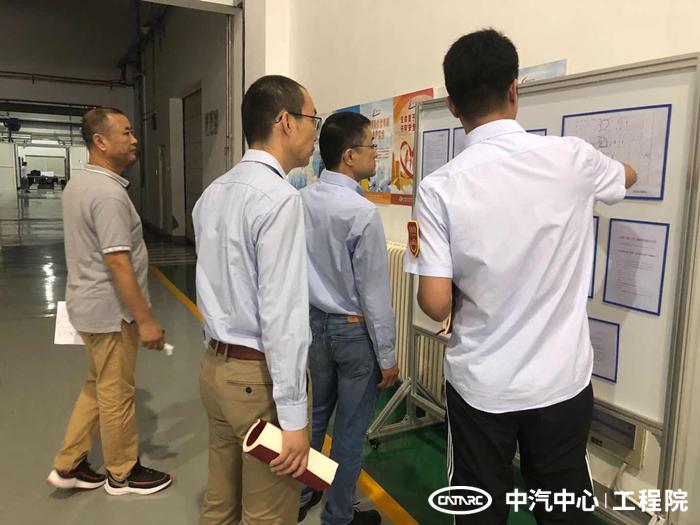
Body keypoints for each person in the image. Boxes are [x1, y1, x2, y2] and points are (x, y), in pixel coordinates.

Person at [405, 29, 638, 525]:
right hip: (560, 383)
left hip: (481, 386)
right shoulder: (572, 158)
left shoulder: (439, 187)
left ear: (452, 105)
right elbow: (627, 177)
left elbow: (435, 303)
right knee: (563, 510)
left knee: (478, 510)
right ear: (514, 89)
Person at [193, 74, 318, 525]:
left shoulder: (213, 193)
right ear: (286, 121)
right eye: (312, 118)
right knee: (268, 513)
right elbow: (282, 317)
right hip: (257, 382)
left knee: (220, 503)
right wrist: (294, 418)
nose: (315, 131)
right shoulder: (280, 200)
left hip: (215, 371)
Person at [47, 107, 172, 496]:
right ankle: (122, 473)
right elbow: (118, 261)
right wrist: (145, 320)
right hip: (109, 312)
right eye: (126, 132)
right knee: (117, 394)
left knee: (98, 385)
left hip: (86, 304)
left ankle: (68, 464)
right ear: (100, 141)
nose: (134, 139)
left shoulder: (80, 183)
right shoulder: (107, 194)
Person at [297, 112, 399, 525]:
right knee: (349, 432)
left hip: (314, 327)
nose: (377, 153)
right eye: (372, 145)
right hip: (354, 335)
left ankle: (302, 495)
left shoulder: (301, 200)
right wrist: (387, 356)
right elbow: (373, 294)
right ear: (349, 155)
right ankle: (338, 516)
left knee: (315, 417)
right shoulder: (361, 212)